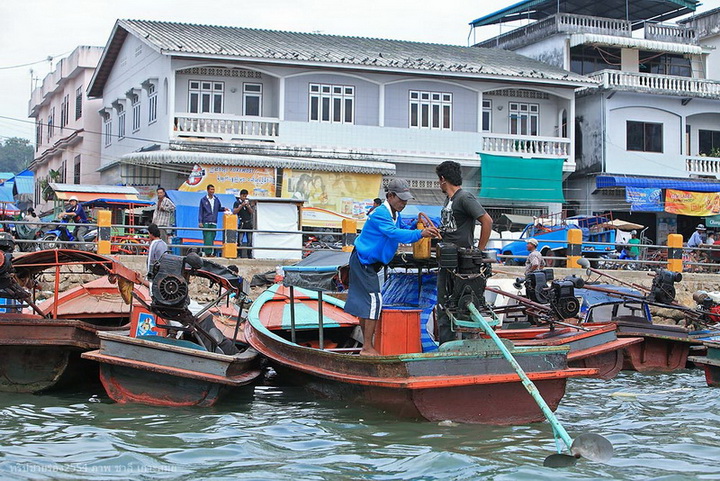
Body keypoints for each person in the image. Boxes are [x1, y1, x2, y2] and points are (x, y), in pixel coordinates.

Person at [344, 178, 439, 356]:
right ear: (390, 196)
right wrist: (420, 233)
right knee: (374, 301)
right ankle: (367, 348)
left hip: (368, 262)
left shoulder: (395, 213)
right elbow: (394, 233)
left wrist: (416, 226)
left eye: (406, 200)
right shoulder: (381, 213)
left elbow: (400, 227)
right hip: (364, 261)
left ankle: (367, 345)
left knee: (366, 303)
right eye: (401, 199)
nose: (404, 203)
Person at [435, 160, 493, 344]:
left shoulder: (464, 198)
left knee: (465, 308)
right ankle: (447, 348)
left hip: (463, 266)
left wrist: (479, 251)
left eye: (439, 180)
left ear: (443, 179)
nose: (439, 183)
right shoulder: (449, 201)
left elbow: (487, 221)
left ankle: (469, 348)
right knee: (444, 306)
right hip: (447, 262)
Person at [198, 184, 226, 257]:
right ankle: (208, 253)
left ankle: (211, 252)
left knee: (213, 236)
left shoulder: (216, 199)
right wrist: (200, 221)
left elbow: (219, 208)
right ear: (207, 190)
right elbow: (201, 211)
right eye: (211, 189)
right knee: (207, 237)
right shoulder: (203, 200)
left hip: (214, 221)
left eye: (213, 190)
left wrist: (224, 209)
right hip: (206, 221)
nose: (212, 191)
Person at [233, 189, 254, 259]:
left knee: (250, 240)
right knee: (240, 240)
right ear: (241, 196)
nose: (245, 198)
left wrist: (248, 206)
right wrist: (241, 205)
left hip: (248, 223)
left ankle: (249, 255)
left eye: (246, 196)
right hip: (242, 223)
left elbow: (252, 212)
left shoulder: (248, 202)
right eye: (244, 196)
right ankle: (239, 254)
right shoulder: (236, 203)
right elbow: (234, 211)